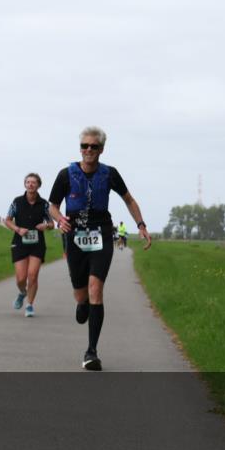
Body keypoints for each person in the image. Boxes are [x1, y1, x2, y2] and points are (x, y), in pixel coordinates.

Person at [47, 127, 151, 371]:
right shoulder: (66, 174)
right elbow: (52, 205)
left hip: (101, 234)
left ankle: (91, 352)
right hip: (75, 235)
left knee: (96, 288)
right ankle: (82, 303)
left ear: (101, 149)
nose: (88, 150)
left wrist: (141, 225)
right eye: (84, 146)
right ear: (80, 148)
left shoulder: (109, 173)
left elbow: (129, 199)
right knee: (81, 294)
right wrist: (60, 219)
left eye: (93, 146)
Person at [4, 173, 53, 317]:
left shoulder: (44, 204)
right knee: (21, 278)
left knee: (32, 275)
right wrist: (18, 229)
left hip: (37, 244)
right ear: (25, 184)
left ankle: (30, 305)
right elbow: (7, 220)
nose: (30, 184)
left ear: (38, 185)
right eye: (28, 182)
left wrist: (46, 226)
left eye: (33, 182)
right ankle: (22, 292)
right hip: (19, 242)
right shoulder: (17, 202)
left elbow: (51, 223)